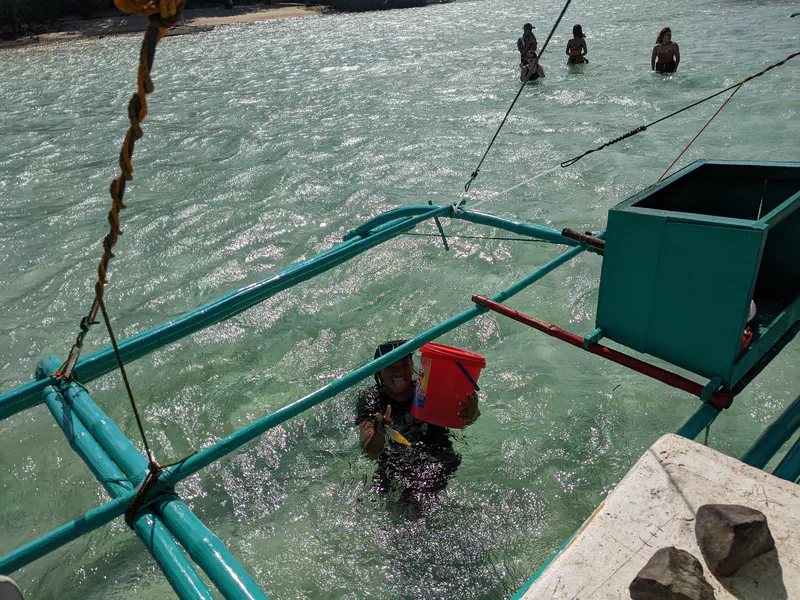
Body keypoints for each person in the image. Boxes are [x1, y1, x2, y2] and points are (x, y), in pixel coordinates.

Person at [356, 340, 480, 504]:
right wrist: (380, 432)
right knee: (376, 495)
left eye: (404, 364)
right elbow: (370, 451)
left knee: (415, 499)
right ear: (378, 373)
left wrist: (472, 413)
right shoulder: (371, 399)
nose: (399, 372)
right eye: (390, 367)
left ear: (412, 364)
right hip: (394, 458)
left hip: (436, 454)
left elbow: (461, 419)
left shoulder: (429, 389)